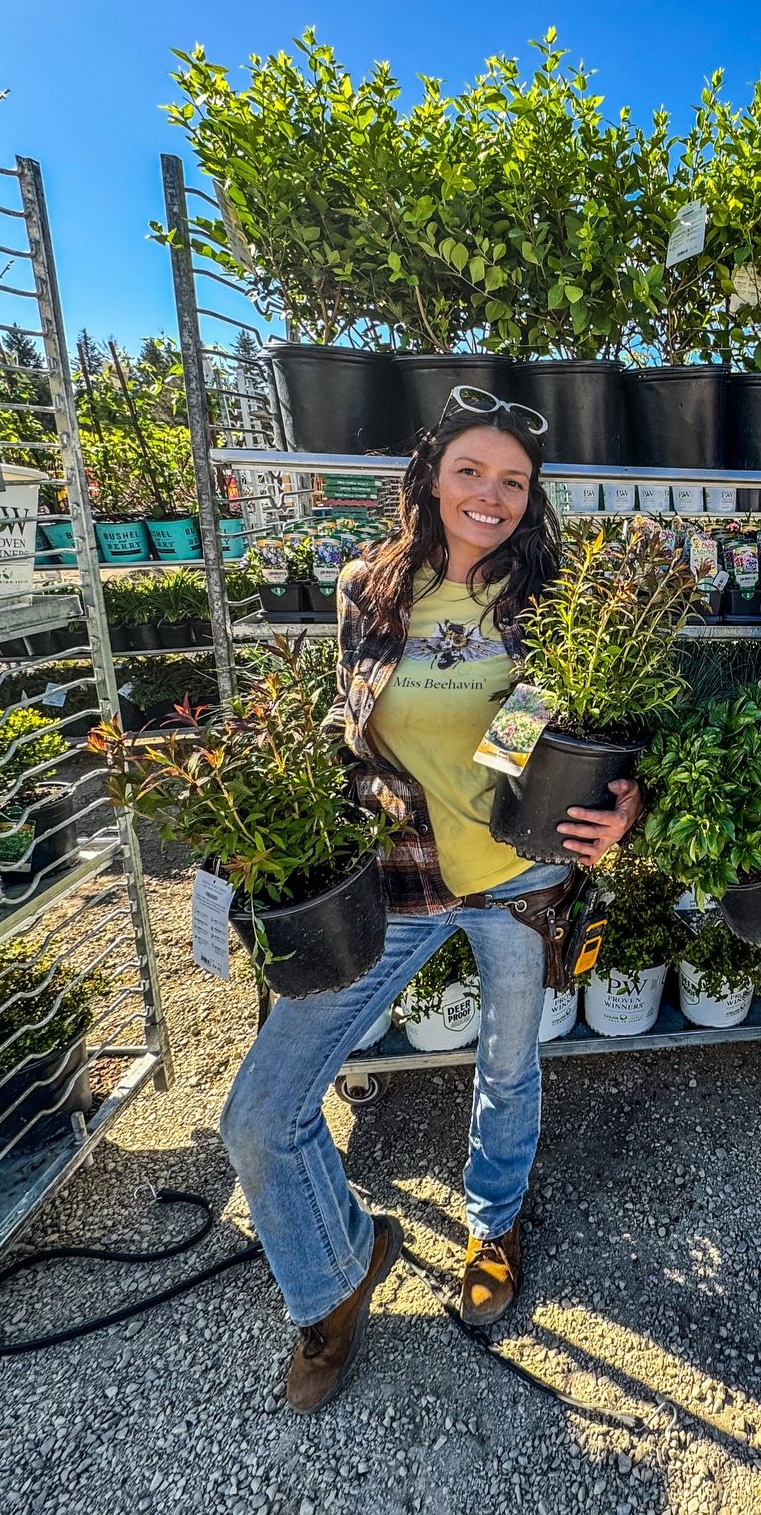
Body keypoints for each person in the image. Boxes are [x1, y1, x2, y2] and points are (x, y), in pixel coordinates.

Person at [220, 390, 641, 1413]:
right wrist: (257, 836)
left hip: (520, 878)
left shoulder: (550, 598)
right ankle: (336, 1271)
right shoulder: (371, 588)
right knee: (261, 1114)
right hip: (397, 880)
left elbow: (599, 728)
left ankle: (491, 1226)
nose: (490, 495)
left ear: (529, 498)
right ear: (431, 475)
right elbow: (339, 724)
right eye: (471, 472)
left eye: (512, 481)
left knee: (508, 1062)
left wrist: (626, 803)